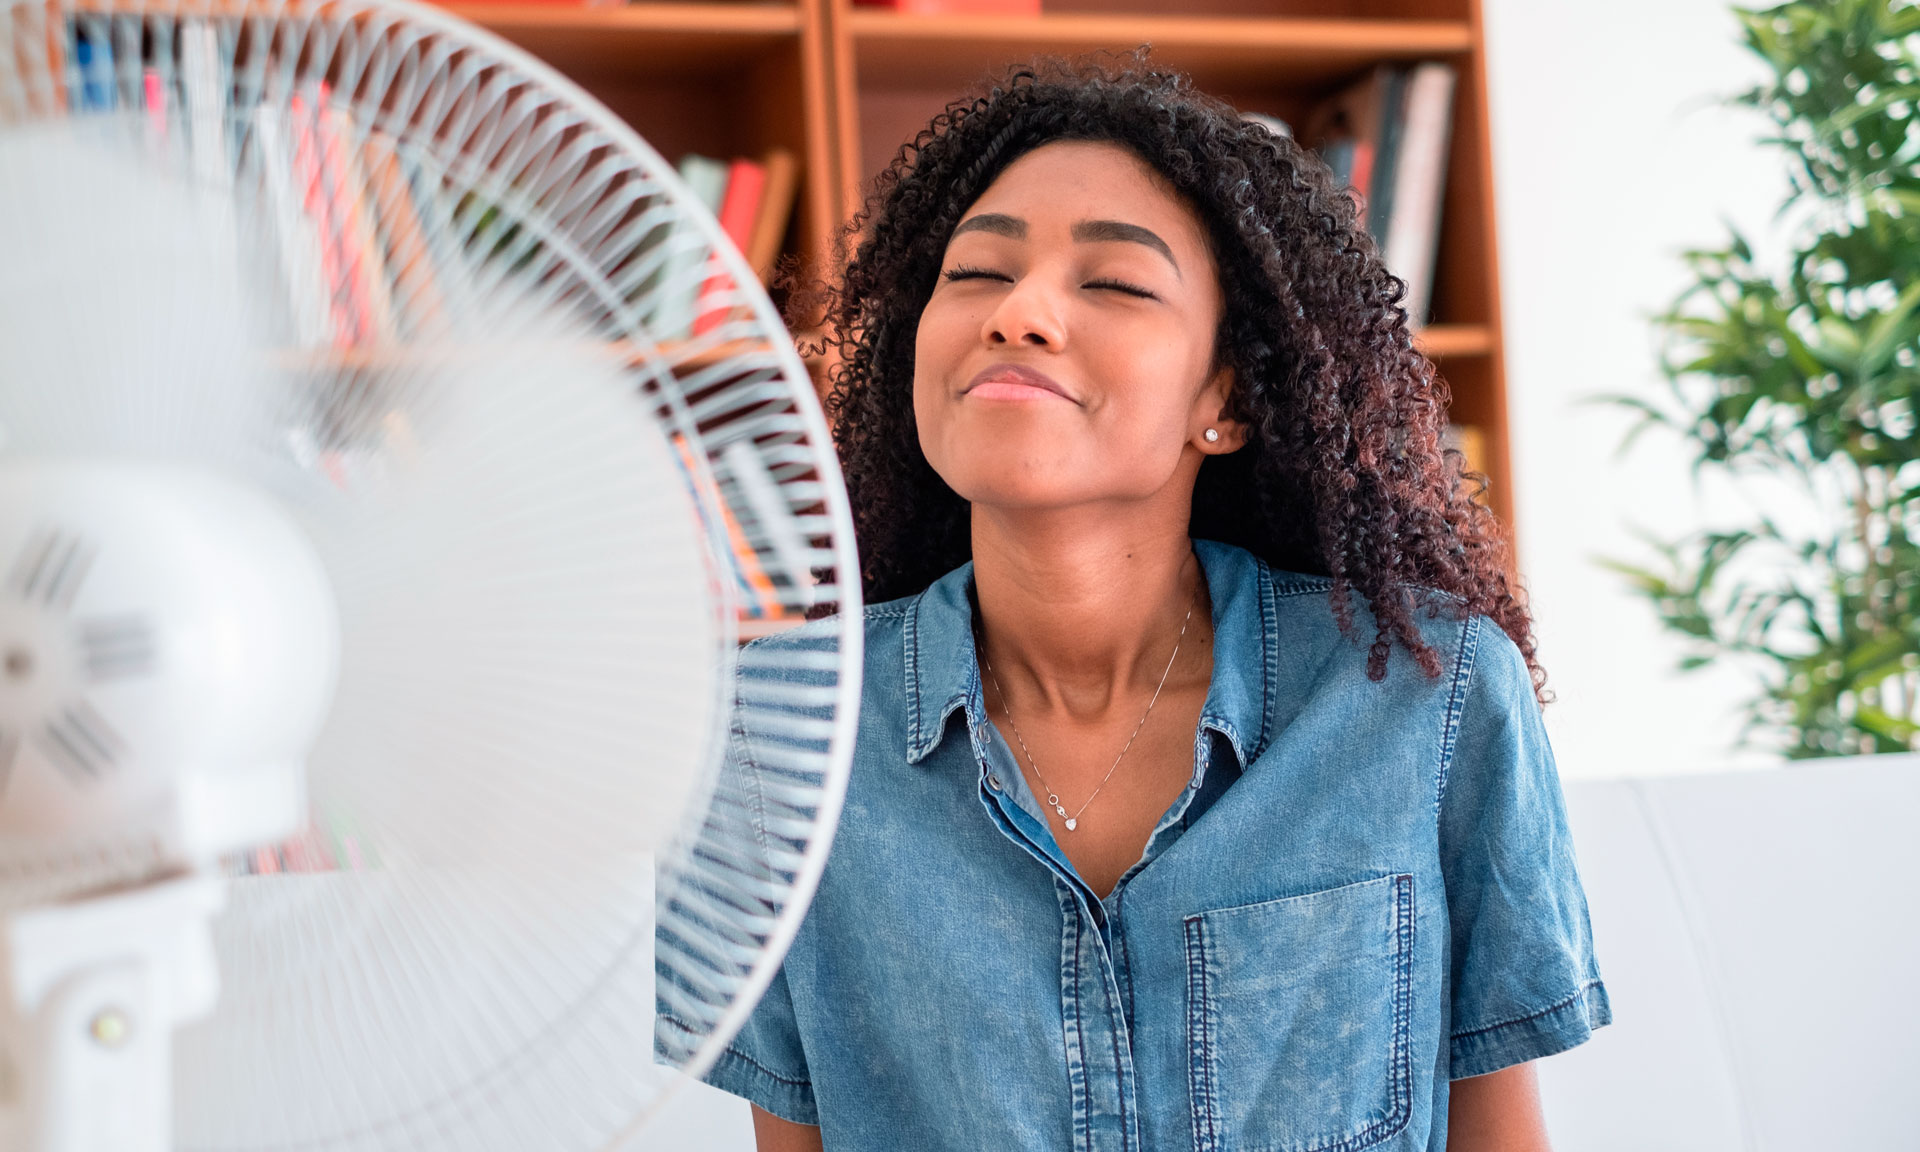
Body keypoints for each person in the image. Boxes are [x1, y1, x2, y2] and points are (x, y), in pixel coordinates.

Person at [662, 56, 1609, 1152]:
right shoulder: (773, 736)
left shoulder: (1430, 698)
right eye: (975, 273)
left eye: (1111, 283)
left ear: (1228, 398)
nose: (1020, 312)